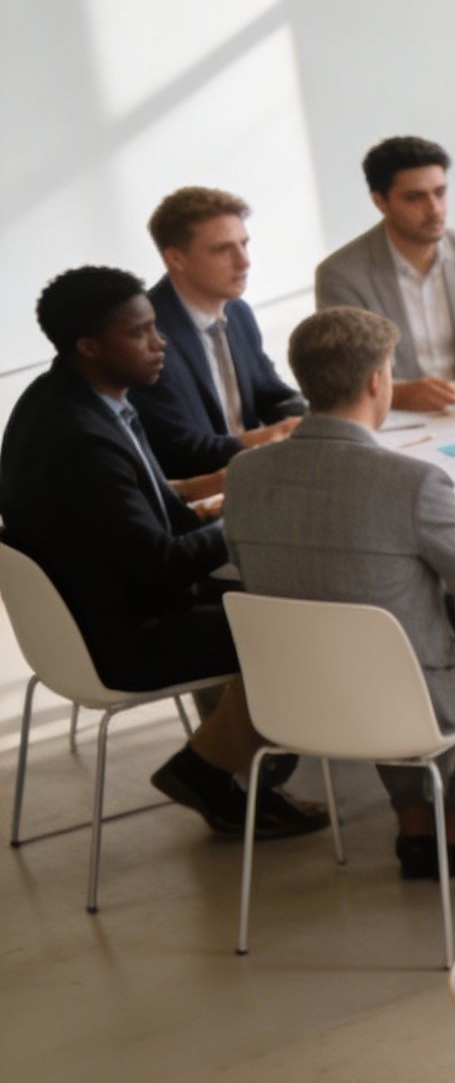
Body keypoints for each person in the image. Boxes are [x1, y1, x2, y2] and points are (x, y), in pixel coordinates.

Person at [0, 267, 322, 839]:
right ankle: (212, 772)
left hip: (94, 609)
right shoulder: (79, 438)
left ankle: (237, 759)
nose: (161, 342)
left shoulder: (70, 399)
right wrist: (247, 511)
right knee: (293, 622)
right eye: (141, 332)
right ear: (89, 346)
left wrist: (217, 485)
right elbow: (162, 563)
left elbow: (134, 498)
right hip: (124, 634)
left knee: (281, 596)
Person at [222, 307, 455, 877]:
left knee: (357, 632)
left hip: (295, 696)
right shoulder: (411, 483)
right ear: (377, 381)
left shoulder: (244, 474)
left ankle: (414, 827)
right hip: (406, 699)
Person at [313, 134, 455, 412]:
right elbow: (345, 377)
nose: (434, 210)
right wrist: (398, 394)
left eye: (440, 192)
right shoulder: (342, 275)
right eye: (414, 198)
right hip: (396, 419)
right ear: (380, 202)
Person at [126, 186, 305, 480]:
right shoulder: (146, 336)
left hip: (249, 472)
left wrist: (305, 416)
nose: (244, 261)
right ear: (176, 259)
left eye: (244, 244)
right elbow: (180, 451)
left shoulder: (238, 312)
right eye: (223, 249)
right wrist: (266, 438)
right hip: (199, 491)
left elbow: (270, 394)